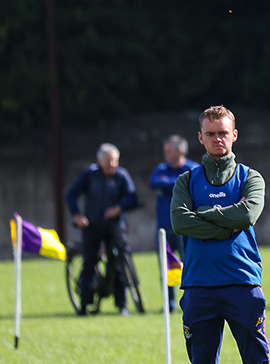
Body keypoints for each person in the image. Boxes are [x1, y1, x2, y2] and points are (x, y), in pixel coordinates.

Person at [169, 105, 270, 364]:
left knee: (257, 361)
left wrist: (204, 216)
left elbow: (247, 214)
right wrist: (225, 221)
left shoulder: (251, 177)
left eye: (223, 132)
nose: (217, 138)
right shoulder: (187, 180)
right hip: (199, 286)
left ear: (234, 135)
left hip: (242, 284)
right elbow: (180, 223)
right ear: (200, 138)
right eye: (211, 133)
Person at [65, 143, 140, 316]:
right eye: (108, 160)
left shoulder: (122, 176)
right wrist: (76, 215)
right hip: (92, 226)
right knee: (89, 262)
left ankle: (122, 305)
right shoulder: (90, 175)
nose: (112, 164)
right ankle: (84, 305)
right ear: (99, 161)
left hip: (114, 226)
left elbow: (133, 198)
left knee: (119, 262)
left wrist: (119, 208)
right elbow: (71, 194)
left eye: (115, 160)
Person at [149, 135, 198, 311]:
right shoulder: (161, 169)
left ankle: (192, 300)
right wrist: (179, 182)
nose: (165, 153)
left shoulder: (193, 169)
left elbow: (194, 185)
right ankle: (169, 303)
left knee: (190, 264)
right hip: (163, 227)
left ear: (181, 151)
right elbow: (153, 182)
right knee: (165, 266)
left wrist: (168, 183)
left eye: (169, 150)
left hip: (186, 228)